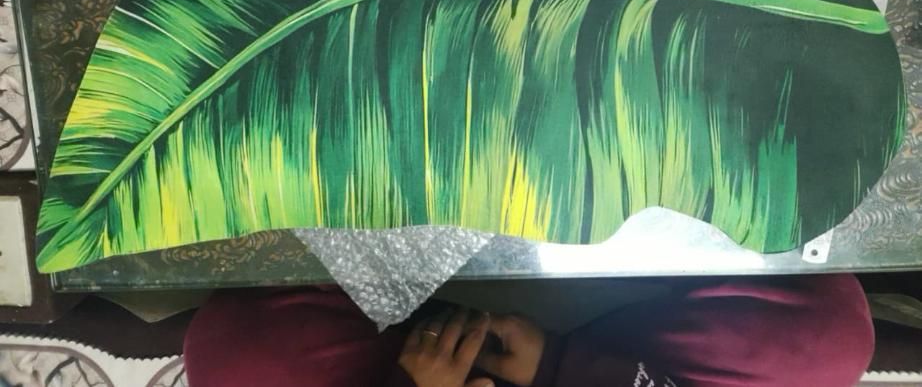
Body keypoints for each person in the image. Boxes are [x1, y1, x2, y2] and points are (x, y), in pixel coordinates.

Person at [182, 274, 874, 386]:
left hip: (408, 372)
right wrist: (561, 366)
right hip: (591, 372)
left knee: (233, 358)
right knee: (830, 341)